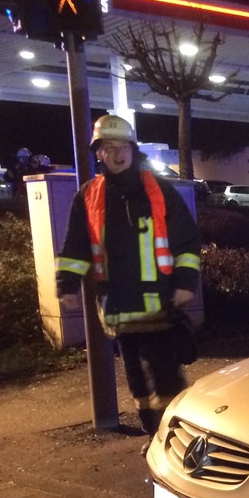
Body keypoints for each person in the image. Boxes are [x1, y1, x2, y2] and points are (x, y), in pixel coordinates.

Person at [54, 114, 201, 437]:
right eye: (110, 147)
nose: (118, 153)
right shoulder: (88, 196)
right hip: (119, 306)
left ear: (133, 150)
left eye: (123, 147)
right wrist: (66, 285)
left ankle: (178, 437)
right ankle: (154, 436)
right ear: (99, 153)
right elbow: (75, 245)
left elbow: (187, 242)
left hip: (159, 304)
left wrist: (185, 283)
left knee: (167, 378)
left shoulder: (160, 191)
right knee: (137, 381)